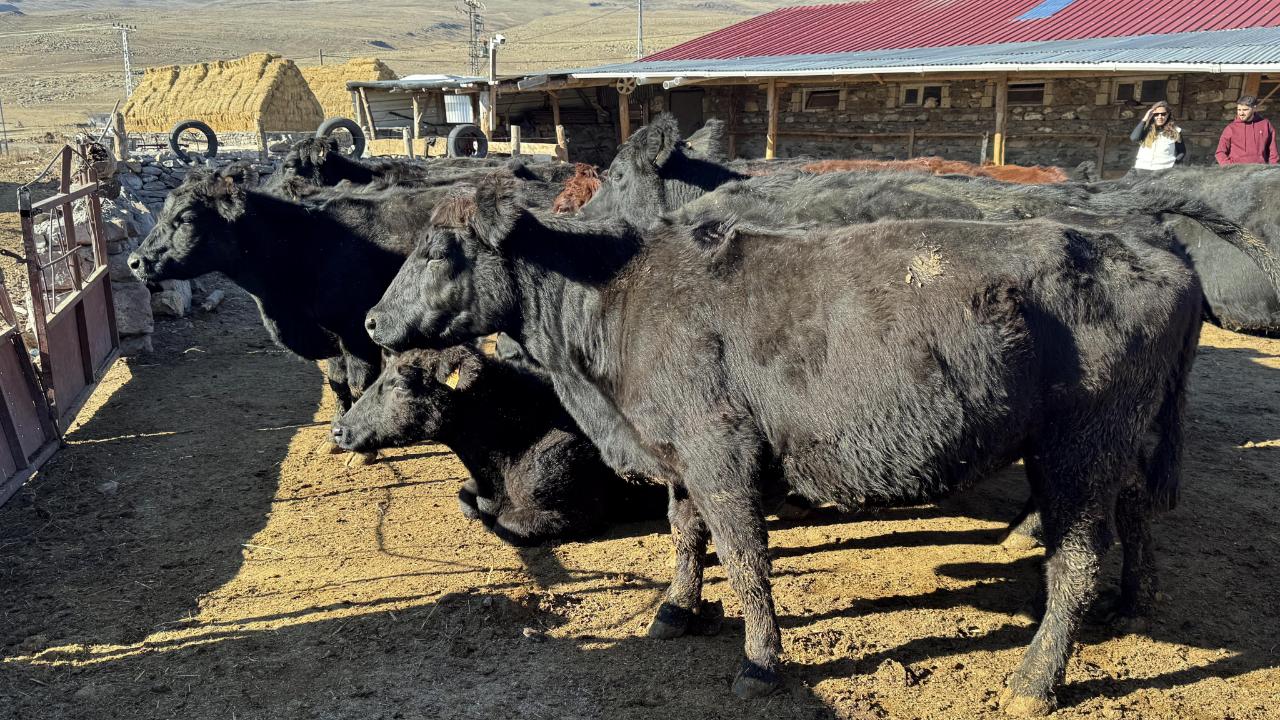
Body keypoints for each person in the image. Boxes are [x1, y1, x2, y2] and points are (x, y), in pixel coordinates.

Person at [1215, 95, 1279, 165]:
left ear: (1254, 108)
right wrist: (1229, 167)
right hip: (1237, 172)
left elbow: (1273, 152)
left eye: (1245, 110)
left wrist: (1272, 169)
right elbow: (1220, 152)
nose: (1241, 113)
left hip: (1260, 171)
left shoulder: (1265, 124)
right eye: (1239, 110)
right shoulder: (1231, 128)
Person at [1129, 100, 1185, 172]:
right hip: (1142, 168)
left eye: (1163, 114)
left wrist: (1174, 164)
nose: (1160, 117)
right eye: (1156, 114)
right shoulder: (1145, 129)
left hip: (1164, 170)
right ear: (1152, 115)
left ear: (1168, 115)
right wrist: (1145, 119)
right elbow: (1134, 138)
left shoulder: (1176, 131)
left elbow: (1182, 151)